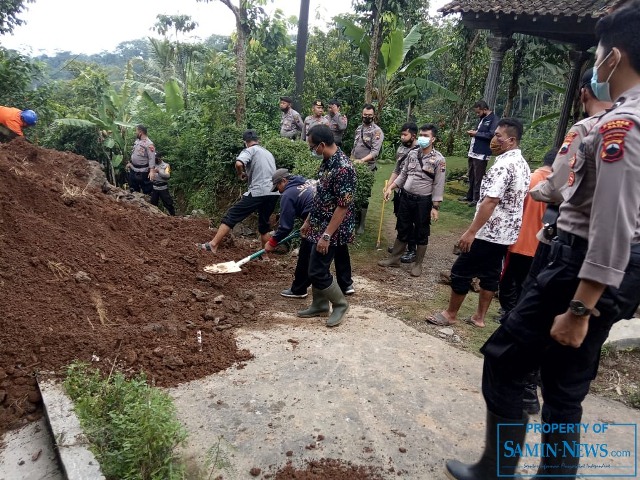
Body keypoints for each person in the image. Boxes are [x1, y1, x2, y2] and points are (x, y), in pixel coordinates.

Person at [443, 3, 640, 479]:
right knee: (565, 383)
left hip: (580, 267)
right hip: (611, 269)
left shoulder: (621, 126)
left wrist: (580, 308)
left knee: (506, 362)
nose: (595, 63)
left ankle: (496, 470)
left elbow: (613, 220)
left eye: (597, 52)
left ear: (614, 56)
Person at [428, 118, 530, 329]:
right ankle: (479, 317)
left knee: (461, 270)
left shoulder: (504, 165)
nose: (493, 139)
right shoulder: (523, 164)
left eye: (498, 136)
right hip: (506, 234)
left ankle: (450, 314)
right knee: (491, 274)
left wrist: (471, 231)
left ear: (511, 140)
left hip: (488, 232)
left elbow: (490, 201)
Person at [297, 125, 356, 327]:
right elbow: (321, 196)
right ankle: (320, 304)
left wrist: (327, 236)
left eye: (313, 147)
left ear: (322, 145)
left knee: (317, 270)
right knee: (314, 264)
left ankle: (340, 304)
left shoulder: (343, 168)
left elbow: (342, 207)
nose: (312, 150)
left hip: (334, 229)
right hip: (319, 223)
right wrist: (308, 222)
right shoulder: (327, 162)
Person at [266, 169, 354, 298]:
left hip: (318, 219)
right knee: (339, 246)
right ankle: (346, 285)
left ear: (284, 181)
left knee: (306, 252)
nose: (279, 191)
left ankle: (299, 289)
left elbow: (285, 226)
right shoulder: (306, 181)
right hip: (336, 214)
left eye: (278, 186)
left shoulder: (287, 194)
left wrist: (272, 242)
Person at [379, 124, 445, 277]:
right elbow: (403, 174)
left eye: (426, 136)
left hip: (423, 201)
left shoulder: (439, 160)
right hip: (406, 197)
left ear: (433, 139)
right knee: (402, 227)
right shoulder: (412, 154)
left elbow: (438, 184)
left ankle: (418, 264)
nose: (423, 138)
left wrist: (435, 207)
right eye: (421, 135)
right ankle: (394, 259)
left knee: (421, 231)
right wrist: (391, 187)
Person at [197, 129, 279, 253]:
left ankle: (213, 245)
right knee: (264, 226)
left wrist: (240, 174)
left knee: (231, 216)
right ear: (258, 140)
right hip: (273, 193)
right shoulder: (268, 152)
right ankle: (265, 256)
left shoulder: (249, 150)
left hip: (258, 191)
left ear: (245, 142)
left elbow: (239, 163)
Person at [498, 149, 555, 316]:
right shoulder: (561, 186)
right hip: (544, 242)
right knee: (529, 280)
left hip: (519, 238)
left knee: (508, 279)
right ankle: (519, 311)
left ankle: (508, 311)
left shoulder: (528, 179)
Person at [386, 123, 419, 261]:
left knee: (410, 221)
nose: (402, 137)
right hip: (399, 189)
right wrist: (389, 185)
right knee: (400, 218)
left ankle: (412, 249)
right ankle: (400, 246)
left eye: (405, 135)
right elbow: (397, 170)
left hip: (412, 191)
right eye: (401, 134)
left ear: (413, 135)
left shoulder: (420, 151)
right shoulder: (401, 148)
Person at [351, 104, 384, 234]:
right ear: (362, 114)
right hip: (355, 166)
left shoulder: (377, 131)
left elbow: (375, 152)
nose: (367, 117)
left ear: (374, 115)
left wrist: (361, 161)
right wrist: (352, 160)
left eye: (370, 115)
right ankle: (353, 219)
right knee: (353, 192)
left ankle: (361, 224)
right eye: (365, 115)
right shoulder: (359, 129)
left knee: (364, 195)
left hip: (367, 168)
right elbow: (355, 147)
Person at [460, 100, 499, 207]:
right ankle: (469, 196)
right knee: (471, 174)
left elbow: (491, 135)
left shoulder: (494, 119)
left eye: (478, 112)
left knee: (479, 176)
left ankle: (477, 199)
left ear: (485, 109)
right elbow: (481, 132)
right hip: (474, 150)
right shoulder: (482, 119)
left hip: (482, 152)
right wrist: (475, 132)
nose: (477, 115)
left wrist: (476, 133)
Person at [126, 124, 156, 195]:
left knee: (147, 191)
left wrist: (152, 171)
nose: (135, 133)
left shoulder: (149, 144)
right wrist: (130, 163)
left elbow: (152, 158)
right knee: (133, 189)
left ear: (140, 132)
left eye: (136, 131)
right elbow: (135, 153)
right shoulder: (137, 141)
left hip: (143, 172)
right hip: (133, 169)